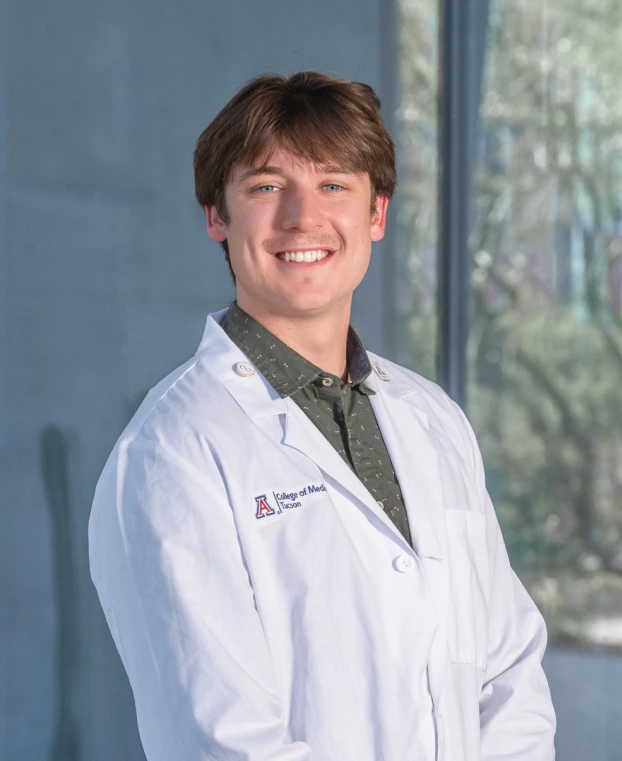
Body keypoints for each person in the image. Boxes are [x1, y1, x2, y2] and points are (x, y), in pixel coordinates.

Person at [88, 71, 556, 761]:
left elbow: (509, 671)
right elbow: (220, 739)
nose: (303, 217)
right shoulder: (172, 453)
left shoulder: (432, 418)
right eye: (266, 186)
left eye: (334, 184)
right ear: (217, 215)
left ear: (377, 213)